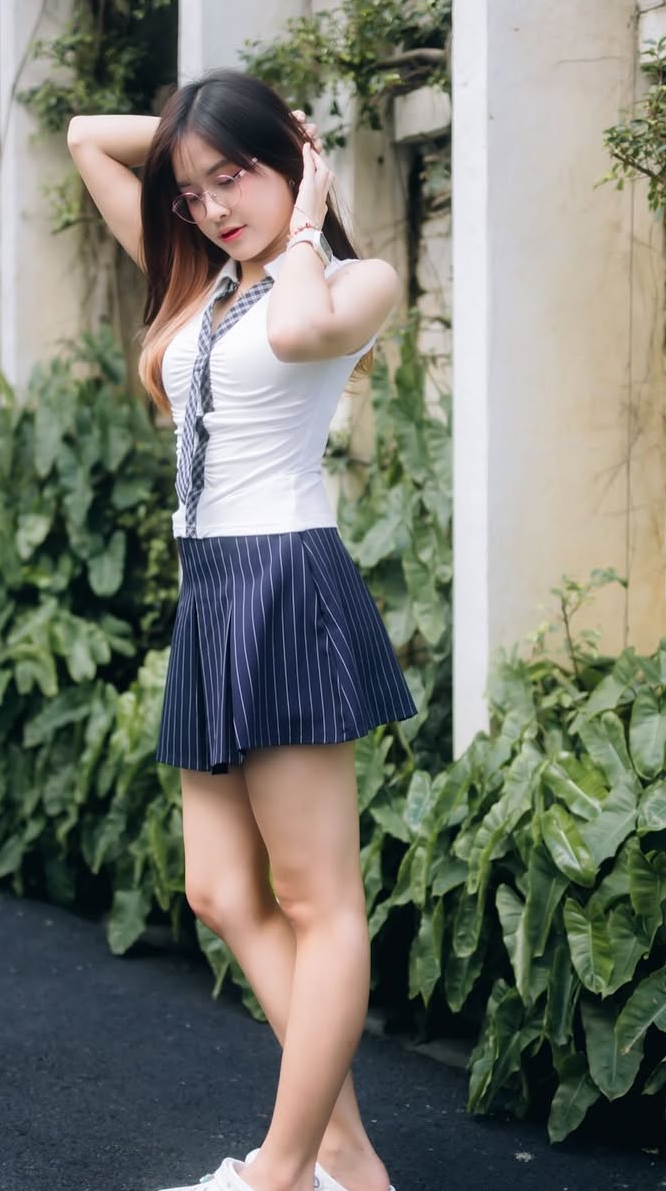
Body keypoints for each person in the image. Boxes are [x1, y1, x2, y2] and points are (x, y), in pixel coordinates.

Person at [67, 69, 416, 1191]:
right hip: (213, 589)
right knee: (219, 890)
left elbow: (306, 331)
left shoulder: (357, 280)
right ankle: (347, 1160)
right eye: (193, 189)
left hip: (285, 580)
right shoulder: (205, 282)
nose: (214, 206)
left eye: (236, 175)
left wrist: (306, 208)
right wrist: (206, 140)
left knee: (320, 902)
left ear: (293, 168)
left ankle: (279, 1174)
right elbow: (86, 138)